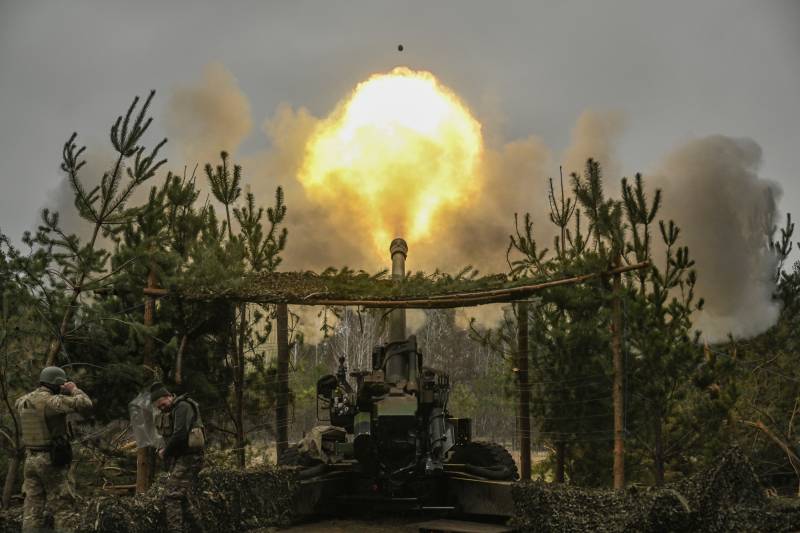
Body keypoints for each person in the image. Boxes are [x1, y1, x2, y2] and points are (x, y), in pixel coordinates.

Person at [15, 366, 92, 532]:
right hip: (50, 459)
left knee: (32, 509)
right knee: (64, 507)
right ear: (56, 383)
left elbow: (25, 405)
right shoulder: (52, 402)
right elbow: (85, 404)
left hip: (30, 460)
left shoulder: (22, 401)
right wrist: (74, 389)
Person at [150, 382, 205, 532]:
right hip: (181, 459)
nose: (161, 408)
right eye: (158, 407)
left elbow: (180, 435)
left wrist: (165, 452)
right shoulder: (171, 410)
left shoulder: (183, 406)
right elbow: (168, 437)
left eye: (162, 404)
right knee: (183, 498)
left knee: (171, 496)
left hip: (190, 458)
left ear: (169, 396)